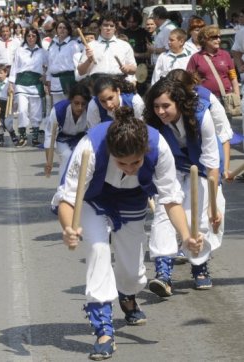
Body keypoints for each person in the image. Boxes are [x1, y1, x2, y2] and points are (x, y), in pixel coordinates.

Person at [53, 107, 200, 361]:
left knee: (132, 273)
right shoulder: (90, 146)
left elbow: (171, 200)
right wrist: (68, 228)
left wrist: (186, 236)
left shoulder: (158, 147)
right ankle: (103, 331)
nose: (130, 168)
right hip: (92, 198)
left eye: (136, 162)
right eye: (122, 162)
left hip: (133, 198)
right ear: (111, 152)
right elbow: (68, 199)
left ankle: (127, 294)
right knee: (98, 250)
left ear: (145, 152)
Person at [144, 78, 224, 296]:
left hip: (204, 168)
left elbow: (212, 161)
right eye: (156, 106)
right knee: (163, 213)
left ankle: (199, 264)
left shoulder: (201, 115)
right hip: (170, 168)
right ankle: (163, 273)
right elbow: (151, 156)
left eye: (166, 106)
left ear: (179, 103)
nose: (160, 111)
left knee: (199, 216)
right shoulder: (152, 122)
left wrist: (213, 204)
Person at [8, 27, 48, 147]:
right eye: (29, 36)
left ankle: (35, 137)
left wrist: (45, 76)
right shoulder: (20, 50)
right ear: (25, 37)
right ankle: (23, 136)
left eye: (33, 36)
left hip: (36, 83)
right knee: (22, 110)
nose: (31, 38)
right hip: (21, 83)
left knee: (36, 111)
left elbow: (49, 65)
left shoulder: (42, 51)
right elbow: (14, 67)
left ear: (37, 38)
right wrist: (11, 83)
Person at [44, 82, 91, 181]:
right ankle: (63, 189)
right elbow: (49, 136)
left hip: (81, 138)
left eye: (83, 104)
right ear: (70, 100)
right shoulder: (58, 110)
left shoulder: (91, 110)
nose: (80, 108)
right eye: (76, 103)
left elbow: (94, 132)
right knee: (67, 156)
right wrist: (49, 161)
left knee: (84, 160)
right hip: (61, 138)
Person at [186, 25, 240, 110]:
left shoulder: (225, 54)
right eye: (215, 37)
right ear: (205, 39)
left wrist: (236, 96)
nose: (218, 40)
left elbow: (233, 76)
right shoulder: (196, 58)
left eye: (219, 37)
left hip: (226, 98)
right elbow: (189, 80)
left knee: (226, 123)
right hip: (206, 100)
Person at [77, 11, 136, 81]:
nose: (108, 28)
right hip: (97, 83)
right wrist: (89, 60)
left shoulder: (125, 45)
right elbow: (81, 72)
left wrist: (128, 68)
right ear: (100, 27)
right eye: (105, 25)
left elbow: (134, 69)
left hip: (118, 82)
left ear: (115, 28)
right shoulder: (91, 46)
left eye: (112, 26)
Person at [46, 20, 81, 104]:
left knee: (69, 106)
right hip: (55, 82)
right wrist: (48, 80)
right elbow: (50, 64)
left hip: (68, 80)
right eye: (60, 28)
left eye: (64, 28)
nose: (62, 30)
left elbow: (77, 63)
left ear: (68, 30)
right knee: (57, 108)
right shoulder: (52, 45)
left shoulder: (73, 44)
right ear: (56, 30)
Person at [0, 65, 18, 146]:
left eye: (1, 73)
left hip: (7, 104)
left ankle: (13, 134)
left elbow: (15, 94)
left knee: (8, 123)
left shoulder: (9, 83)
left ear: (6, 73)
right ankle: (0, 139)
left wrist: (14, 104)